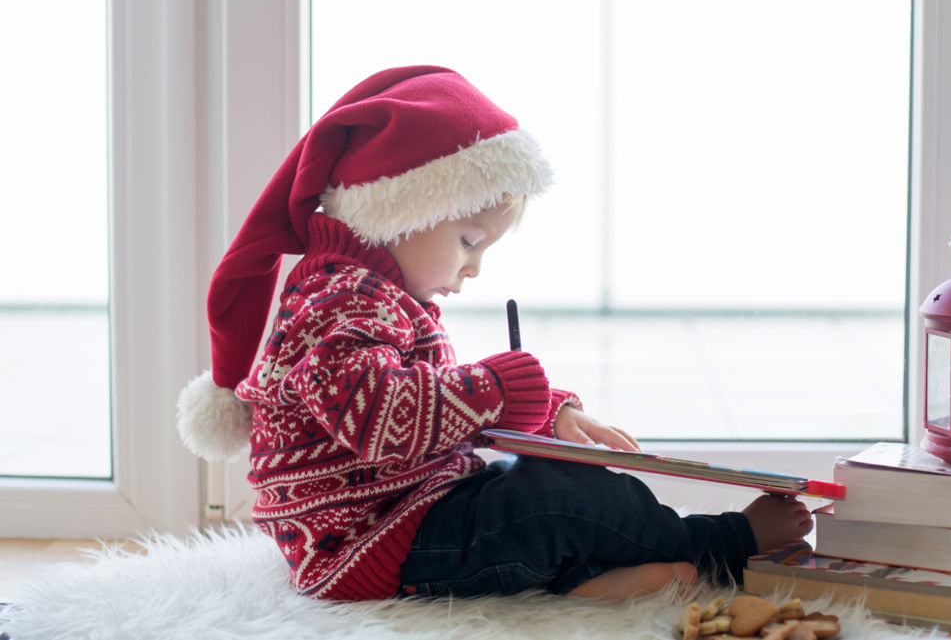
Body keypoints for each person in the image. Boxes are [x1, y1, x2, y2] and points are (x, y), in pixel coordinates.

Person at [175, 65, 811, 602]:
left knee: (555, 488)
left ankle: (594, 580)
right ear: (402, 211)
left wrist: (541, 414)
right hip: (366, 541)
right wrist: (504, 390)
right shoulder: (337, 302)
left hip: (409, 504)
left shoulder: (370, 293)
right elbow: (380, 418)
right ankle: (725, 545)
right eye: (468, 242)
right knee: (550, 506)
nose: (474, 267)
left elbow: (431, 405)